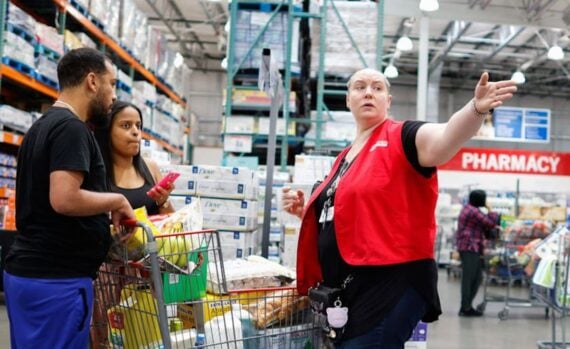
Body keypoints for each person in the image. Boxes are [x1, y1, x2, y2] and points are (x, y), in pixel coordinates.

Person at [282, 68, 517, 348]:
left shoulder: (403, 137)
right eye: (359, 87)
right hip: (350, 288)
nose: (368, 92)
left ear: (388, 101)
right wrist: (311, 212)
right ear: (348, 100)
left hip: (392, 284)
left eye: (377, 88)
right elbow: (355, 208)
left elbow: (444, 138)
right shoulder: (345, 157)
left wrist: (475, 109)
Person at [3, 47, 136, 349]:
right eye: (111, 83)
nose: (114, 95)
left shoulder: (41, 127)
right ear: (92, 81)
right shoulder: (71, 129)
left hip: (32, 275)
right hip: (56, 283)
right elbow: (63, 198)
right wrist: (116, 201)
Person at [91, 100, 175, 215]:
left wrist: (163, 202)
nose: (136, 132)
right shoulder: (95, 171)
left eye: (138, 126)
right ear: (108, 131)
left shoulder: (151, 167)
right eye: (126, 125)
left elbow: (170, 223)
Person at [456, 189, 500, 317]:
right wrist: (490, 209)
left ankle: (467, 306)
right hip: (469, 247)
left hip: (471, 247)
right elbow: (490, 223)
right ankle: (465, 308)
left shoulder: (469, 208)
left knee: (476, 278)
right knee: (469, 278)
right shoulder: (473, 211)